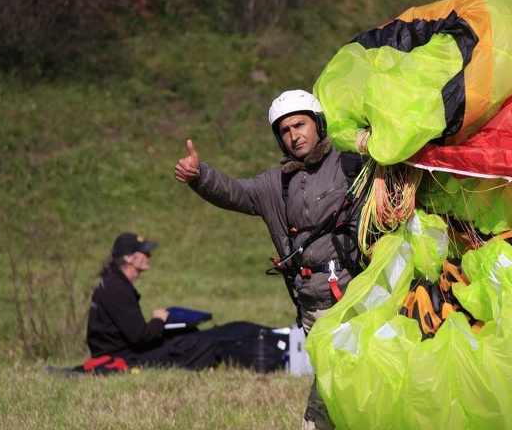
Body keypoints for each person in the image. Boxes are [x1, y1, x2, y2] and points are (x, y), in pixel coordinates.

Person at [174, 89, 366, 430]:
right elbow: (235, 192)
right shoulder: (275, 184)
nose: (294, 136)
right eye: (285, 131)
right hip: (313, 304)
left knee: (353, 378)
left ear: (318, 124)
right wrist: (200, 175)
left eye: (300, 125)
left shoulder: (349, 164)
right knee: (334, 380)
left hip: (359, 295)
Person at [86, 232, 222, 370]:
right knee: (199, 343)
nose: (149, 256)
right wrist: (158, 320)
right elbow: (139, 336)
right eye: (144, 252)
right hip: (123, 357)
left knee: (188, 334)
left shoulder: (113, 282)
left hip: (121, 351)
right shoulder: (117, 288)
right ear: (128, 258)